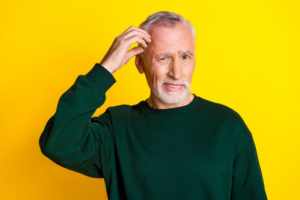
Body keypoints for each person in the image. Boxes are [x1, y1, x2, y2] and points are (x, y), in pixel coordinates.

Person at [39, 11, 268, 200]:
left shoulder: (227, 125)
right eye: (163, 58)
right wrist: (104, 70)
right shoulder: (117, 127)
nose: (176, 73)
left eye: (185, 57)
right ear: (139, 64)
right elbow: (58, 142)